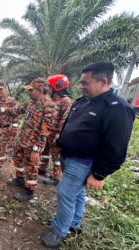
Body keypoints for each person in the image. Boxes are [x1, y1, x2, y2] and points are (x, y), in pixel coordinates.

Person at [41, 63, 135, 248]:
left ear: (103, 81)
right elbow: (70, 125)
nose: (81, 86)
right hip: (68, 156)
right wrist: (60, 145)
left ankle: (59, 231)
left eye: (86, 83)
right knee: (77, 193)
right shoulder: (83, 101)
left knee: (65, 193)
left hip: (84, 162)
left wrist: (99, 174)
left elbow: (116, 148)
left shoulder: (117, 108)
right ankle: (74, 223)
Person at [11, 78, 56, 201]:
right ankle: (19, 179)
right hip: (22, 139)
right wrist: (6, 109)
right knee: (17, 158)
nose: (28, 92)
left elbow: (45, 130)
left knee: (31, 167)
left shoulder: (49, 106)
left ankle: (29, 192)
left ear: (40, 90)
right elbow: (18, 110)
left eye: (31, 90)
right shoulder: (31, 102)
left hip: (33, 144)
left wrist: (37, 149)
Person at [39, 74, 73, 185]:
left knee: (56, 155)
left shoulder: (66, 101)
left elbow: (64, 120)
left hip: (57, 134)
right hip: (48, 132)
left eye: (50, 87)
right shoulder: (52, 100)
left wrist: (58, 136)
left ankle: (56, 178)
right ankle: (42, 168)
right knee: (45, 151)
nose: (48, 90)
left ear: (57, 87)